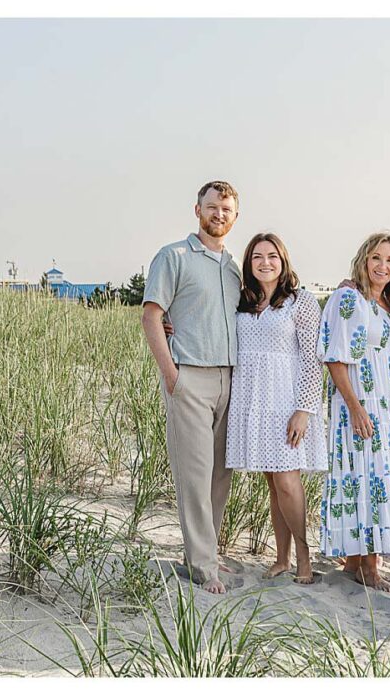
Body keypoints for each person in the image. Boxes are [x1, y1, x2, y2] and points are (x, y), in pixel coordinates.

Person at [141, 180, 243, 595]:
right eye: (213, 207)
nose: (219, 214)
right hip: (190, 376)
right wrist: (172, 375)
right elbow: (152, 315)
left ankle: (204, 553)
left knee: (221, 475)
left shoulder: (235, 267)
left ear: (235, 217)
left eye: (227, 210)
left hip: (231, 379)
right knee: (196, 474)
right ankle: (203, 567)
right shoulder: (174, 257)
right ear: (197, 209)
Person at [319, 232, 390, 592]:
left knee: (376, 471)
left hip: (387, 405)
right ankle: (369, 566)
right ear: (364, 260)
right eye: (376, 258)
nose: (383, 266)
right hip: (361, 402)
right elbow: (335, 358)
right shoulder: (348, 298)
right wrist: (356, 408)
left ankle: (354, 560)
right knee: (364, 473)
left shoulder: (387, 306)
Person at [224, 233, 326, 585]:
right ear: (249, 264)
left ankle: (303, 556)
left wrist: (304, 409)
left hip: (286, 402)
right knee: (272, 482)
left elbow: (314, 359)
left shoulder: (302, 302)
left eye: (272, 256)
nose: (264, 262)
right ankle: (281, 558)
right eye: (257, 257)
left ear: (283, 261)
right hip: (252, 400)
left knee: (287, 480)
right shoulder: (242, 302)